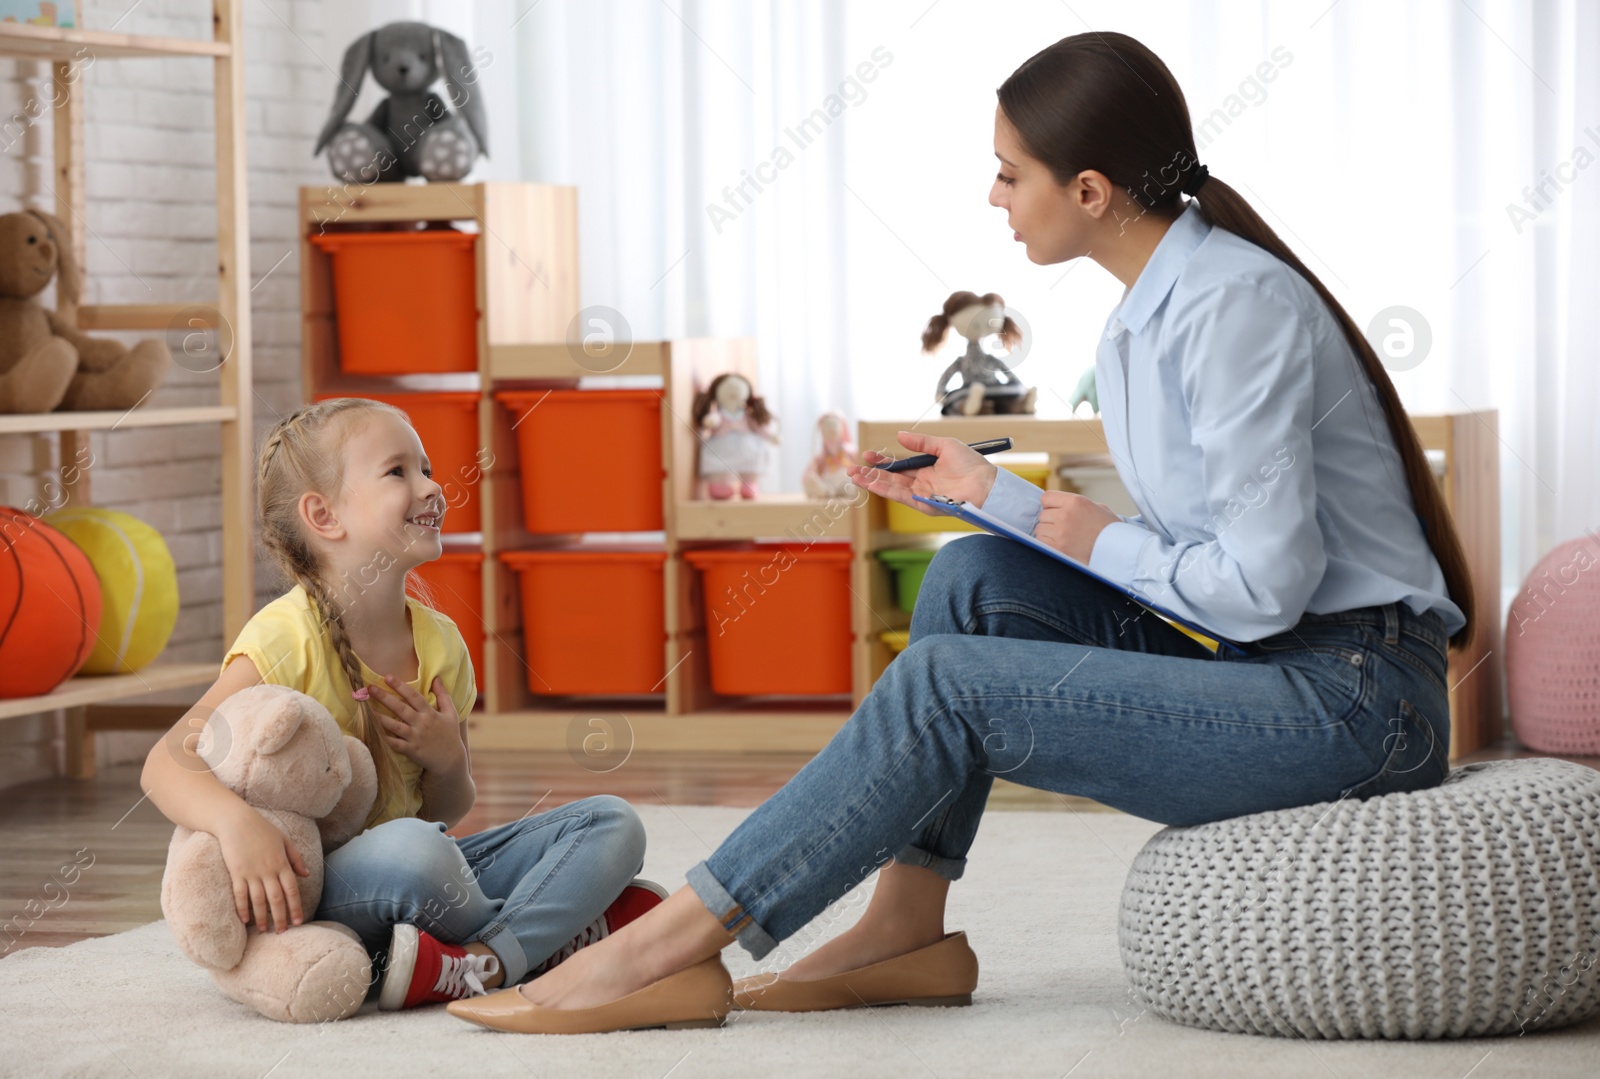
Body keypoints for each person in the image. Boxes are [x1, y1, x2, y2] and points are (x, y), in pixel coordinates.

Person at [446, 30, 1475, 1035]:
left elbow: (1259, 588)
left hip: (1355, 703)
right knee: (974, 578)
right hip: (1278, 659)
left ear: (1089, 190)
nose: (994, 196)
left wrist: (1096, 535)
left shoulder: (1234, 306)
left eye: (1008, 172)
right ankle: (906, 927)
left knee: (947, 684)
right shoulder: (1148, 311)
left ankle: (662, 945)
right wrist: (995, 494)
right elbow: (1203, 570)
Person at [142, 397, 664, 1013]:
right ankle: (550, 943)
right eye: (399, 472)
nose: (432, 486)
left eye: (426, 467)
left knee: (611, 822)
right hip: (327, 885)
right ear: (324, 516)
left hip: (431, 872)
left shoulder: (440, 643)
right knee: (415, 851)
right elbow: (165, 762)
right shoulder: (284, 640)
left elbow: (451, 807)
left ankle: (478, 964)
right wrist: (238, 826)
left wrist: (448, 764)